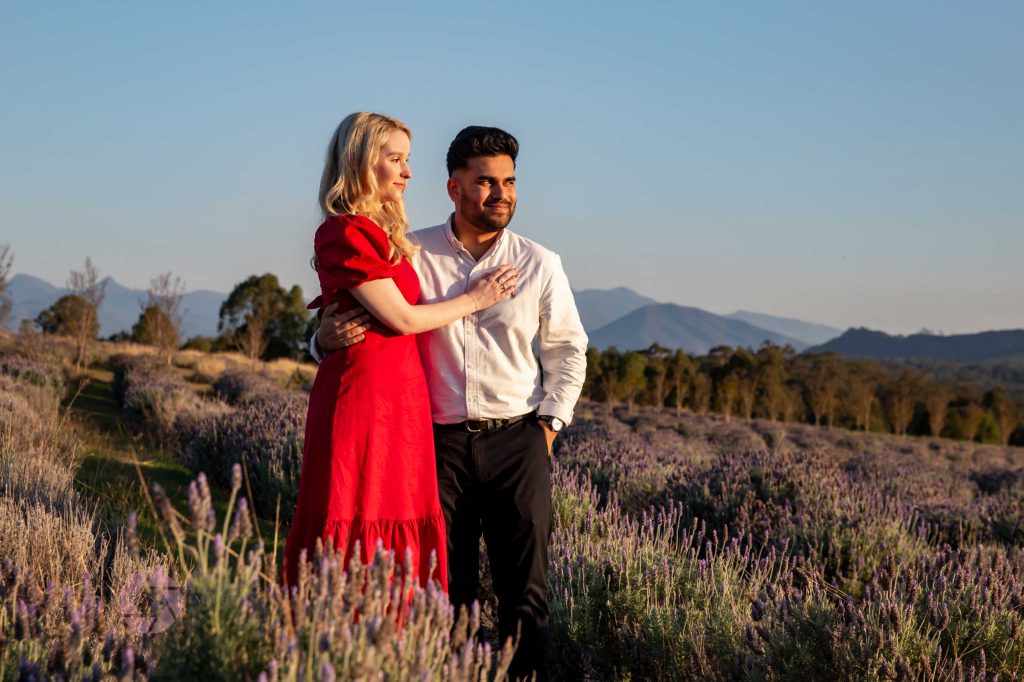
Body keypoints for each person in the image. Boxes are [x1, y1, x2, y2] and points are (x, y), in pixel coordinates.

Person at [314, 125, 588, 681]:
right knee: (443, 586)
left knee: (525, 590)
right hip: (437, 444)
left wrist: (548, 428)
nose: (501, 193)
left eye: (509, 182)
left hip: (519, 440)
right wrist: (319, 339)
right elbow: (354, 313)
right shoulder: (412, 253)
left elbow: (568, 351)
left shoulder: (541, 262)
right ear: (453, 188)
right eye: (485, 182)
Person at [282, 113, 520, 592]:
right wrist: (476, 299)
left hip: (403, 401)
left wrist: (320, 336)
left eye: (407, 160)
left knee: (395, 520)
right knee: (356, 514)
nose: (409, 172)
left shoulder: (386, 234)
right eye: (396, 159)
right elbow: (404, 319)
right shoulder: (344, 232)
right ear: (360, 162)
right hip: (365, 400)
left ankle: (390, 648)